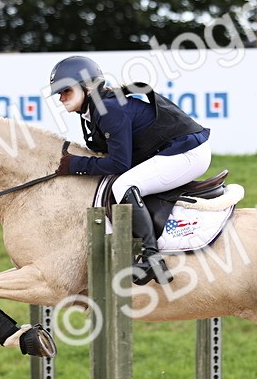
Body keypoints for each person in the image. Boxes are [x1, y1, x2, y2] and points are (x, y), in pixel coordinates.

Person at [49, 55, 212, 286]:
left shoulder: (108, 109)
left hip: (188, 153)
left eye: (66, 90)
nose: (61, 97)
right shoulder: (93, 110)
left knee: (124, 184)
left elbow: (119, 164)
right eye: (58, 92)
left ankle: (151, 258)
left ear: (86, 87)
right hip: (171, 150)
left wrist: (75, 165)